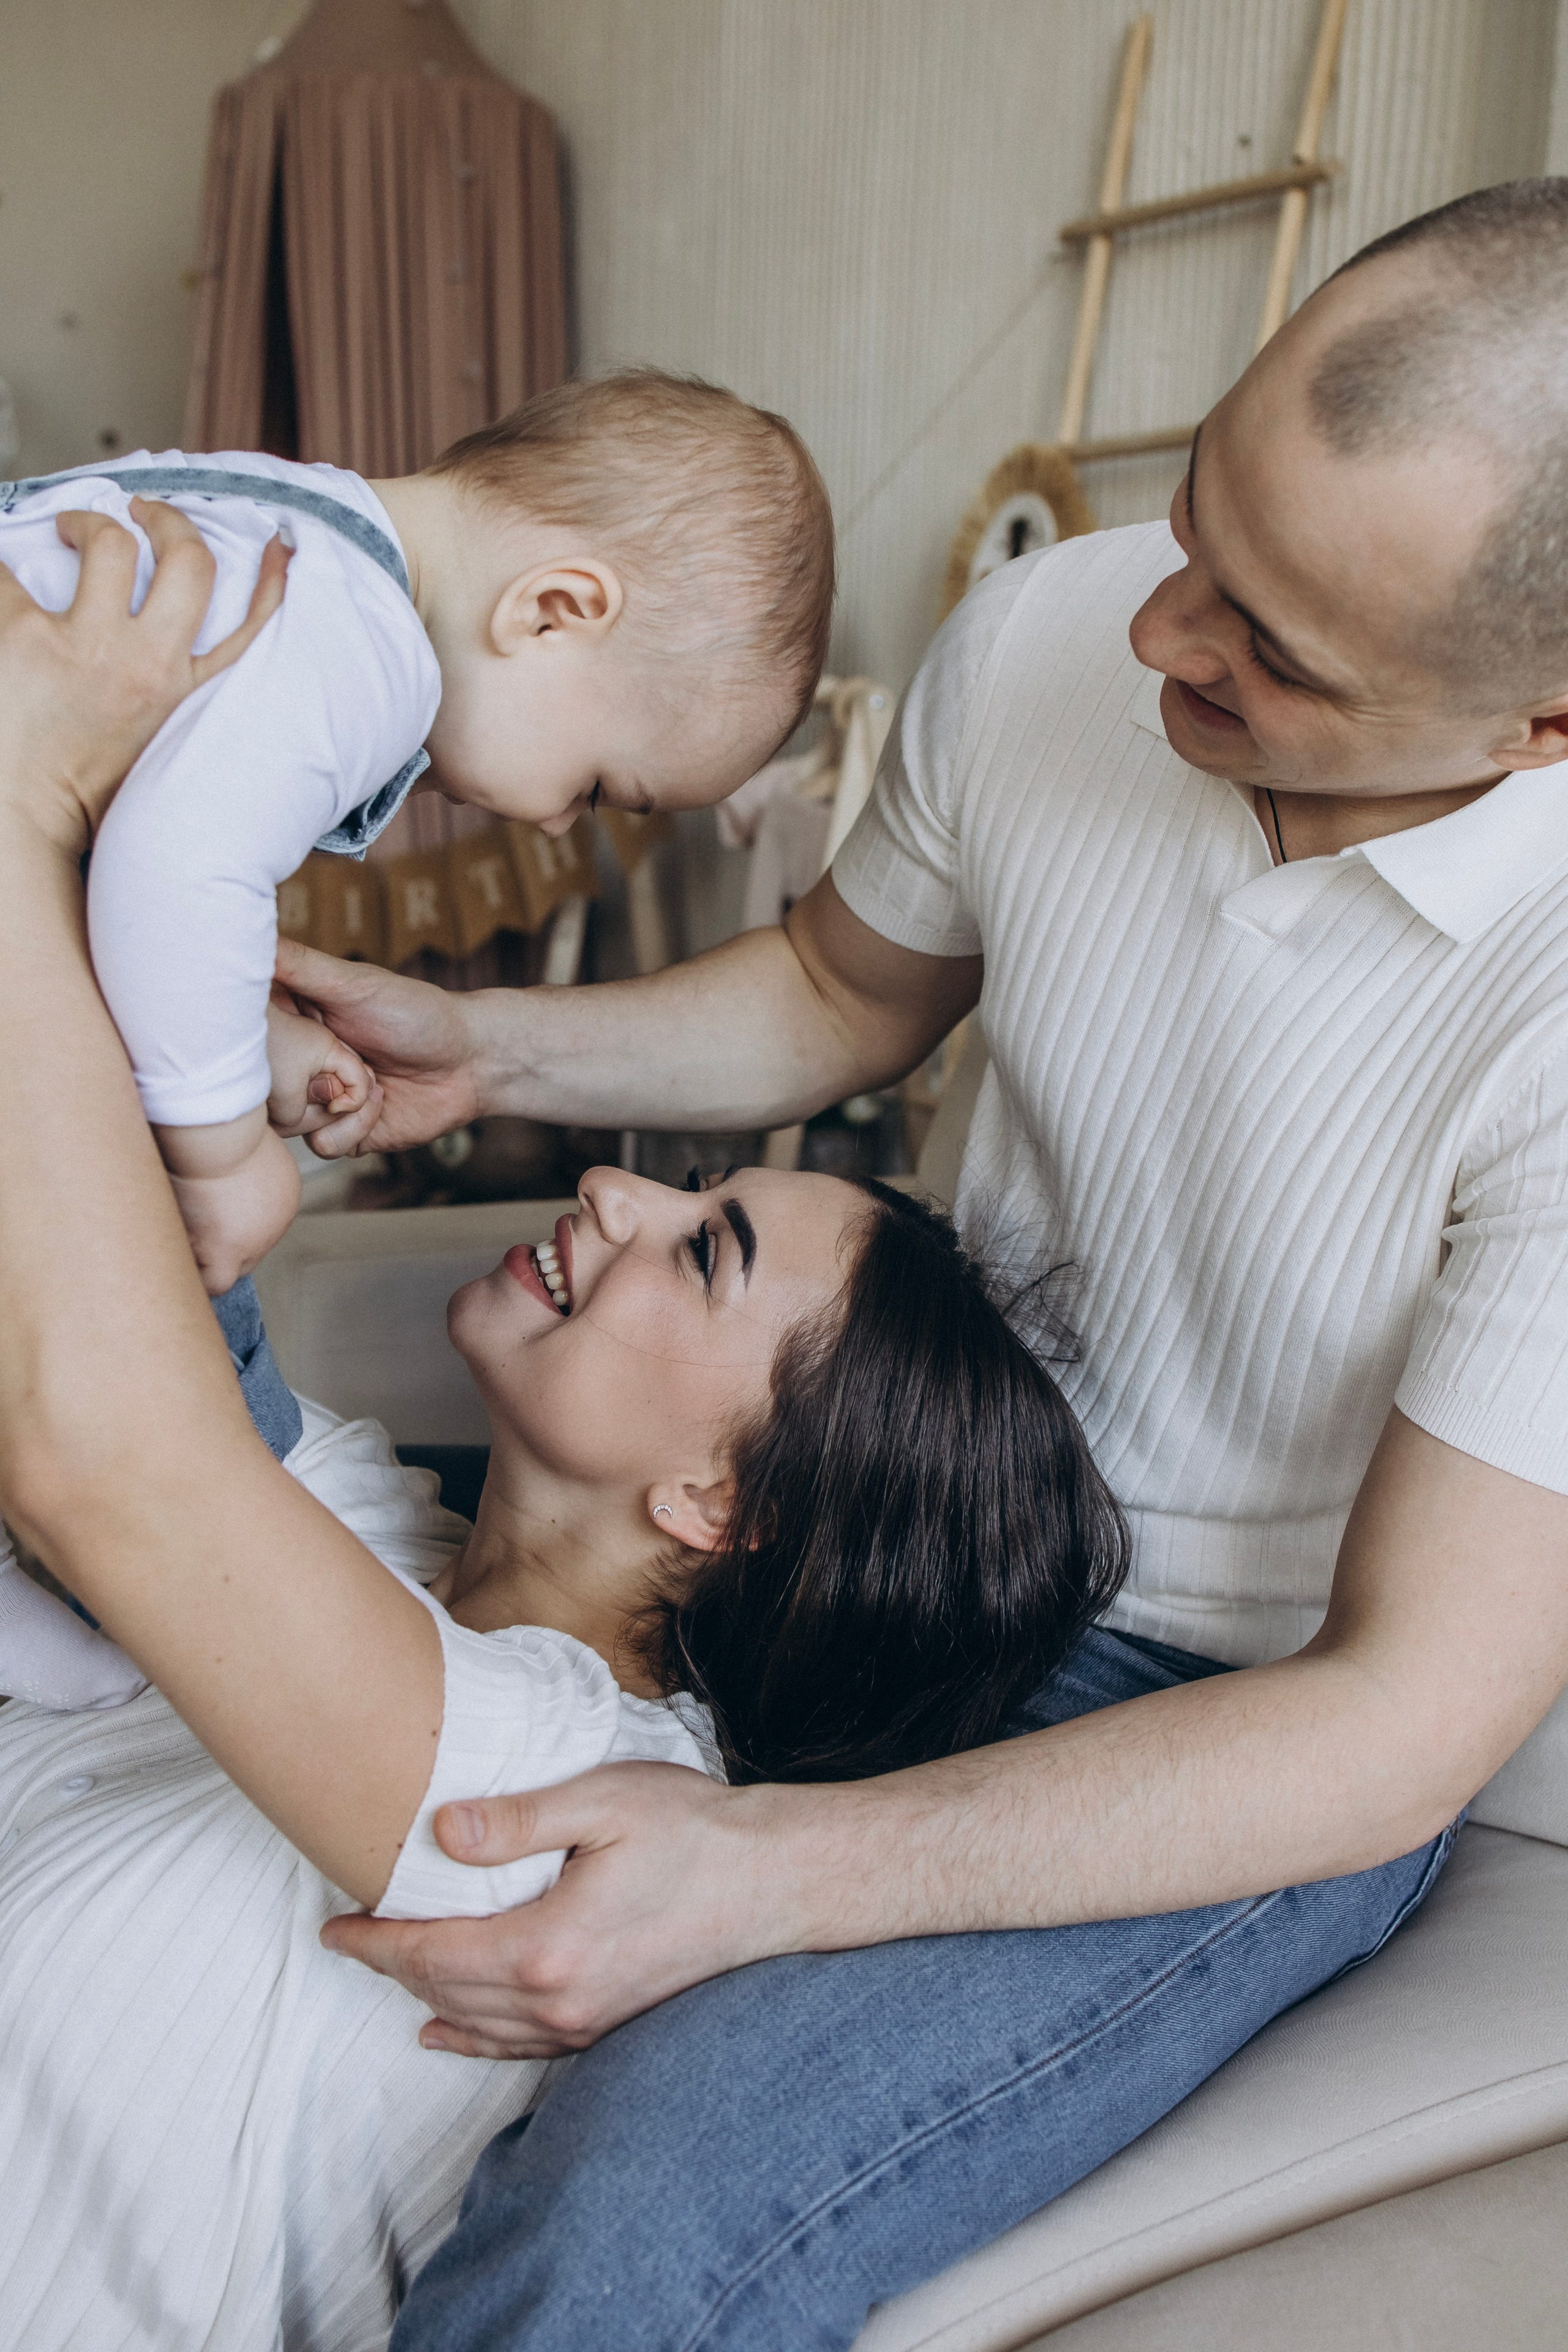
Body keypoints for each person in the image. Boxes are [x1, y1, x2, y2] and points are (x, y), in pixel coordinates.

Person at [255, 181, 1568, 2348]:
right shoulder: (1072, 633)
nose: (1161, 635)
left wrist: (767, 1871)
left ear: (1542, 727)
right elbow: (842, 992)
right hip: (868, 1509)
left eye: (1273, 649)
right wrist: (485, 1047)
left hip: (1197, 1707)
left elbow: (1398, 1720)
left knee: (633, 2220)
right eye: (1197, 530)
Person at [0, 524, 1122, 2346]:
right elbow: (114, 1267)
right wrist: (215, 1054)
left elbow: (101, 1450)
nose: (613, 1191)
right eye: (685, 1194)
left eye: (707, 1250)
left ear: (721, 1503)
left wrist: (19, 786)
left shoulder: (560, 1806)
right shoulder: (372, 1539)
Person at [0, 369, 832, 1298]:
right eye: (598, 787)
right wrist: (223, 1158)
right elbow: (176, 871)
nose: (557, 820)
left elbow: (111, 865)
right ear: (553, 612)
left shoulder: (282, 518)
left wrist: (252, 1036)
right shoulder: (369, 653)